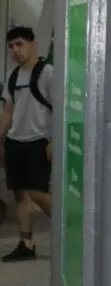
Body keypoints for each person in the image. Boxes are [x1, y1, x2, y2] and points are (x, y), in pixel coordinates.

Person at [1, 27, 54, 263]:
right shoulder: (14, 75)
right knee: (20, 194)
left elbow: (61, 109)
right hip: (15, 142)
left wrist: (54, 140)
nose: (15, 50)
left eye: (19, 44)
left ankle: (72, 233)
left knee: (38, 193)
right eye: (11, 46)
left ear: (33, 43)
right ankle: (26, 244)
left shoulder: (48, 73)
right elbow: (8, 111)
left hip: (38, 142)